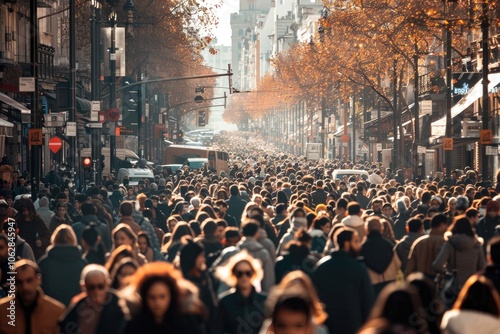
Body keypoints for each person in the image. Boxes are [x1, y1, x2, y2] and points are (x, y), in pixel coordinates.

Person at [312, 227, 374, 334]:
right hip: (353, 325)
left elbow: (313, 297)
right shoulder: (359, 268)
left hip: (327, 325)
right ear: (346, 244)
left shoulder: (321, 266)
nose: (359, 245)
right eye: (356, 241)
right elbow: (368, 301)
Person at [124, 262, 206, 333]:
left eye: (162, 297)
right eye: (152, 297)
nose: (157, 303)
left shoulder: (186, 324)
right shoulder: (135, 326)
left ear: (171, 295)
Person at [59, 264, 130, 334]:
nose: (96, 291)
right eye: (91, 287)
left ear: (107, 284)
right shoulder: (78, 305)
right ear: (84, 287)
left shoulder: (120, 307)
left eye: (100, 286)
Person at [0, 260, 65, 334]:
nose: (25, 287)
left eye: (29, 280)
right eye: (19, 282)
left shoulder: (56, 312)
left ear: (38, 279)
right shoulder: (2, 311)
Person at [433, 215, 486, 303]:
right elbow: (482, 267)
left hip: (453, 285)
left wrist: (447, 272)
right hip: (471, 286)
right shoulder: (477, 244)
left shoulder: (450, 244)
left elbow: (437, 265)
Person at [213, 251, 267, 334]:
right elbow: (218, 329)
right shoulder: (225, 301)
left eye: (248, 273)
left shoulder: (265, 300)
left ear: (254, 274)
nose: (244, 277)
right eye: (239, 273)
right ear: (233, 274)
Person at [37, 224, 87, 306]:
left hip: (50, 308)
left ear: (54, 240)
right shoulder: (82, 263)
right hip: (75, 309)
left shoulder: (44, 263)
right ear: (73, 239)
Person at [360, 217, 401, 296]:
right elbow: (398, 264)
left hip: (371, 285)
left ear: (366, 229)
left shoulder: (363, 248)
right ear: (381, 229)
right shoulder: (389, 245)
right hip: (390, 283)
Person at [406, 213, 448, 280]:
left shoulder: (419, 242)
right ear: (442, 225)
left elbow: (410, 267)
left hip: (420, 282)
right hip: (438, 283)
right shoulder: (445, 243)